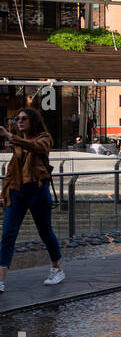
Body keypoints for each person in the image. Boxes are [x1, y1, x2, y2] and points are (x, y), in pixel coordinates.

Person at [0, 108, 65, 292]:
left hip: (37, 189)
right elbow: (11, 172)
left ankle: (57, 268)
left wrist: (9, 136)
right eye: (17, 118)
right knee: (7, 234)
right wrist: (4, 194)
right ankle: (1, 279)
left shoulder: (44, 138)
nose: (19, 121)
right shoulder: (17, 145)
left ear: (33, 121)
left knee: (45, 231)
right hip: (17, 192)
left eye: (23, 118)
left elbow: (36, 147)